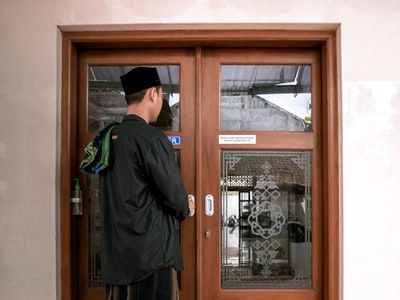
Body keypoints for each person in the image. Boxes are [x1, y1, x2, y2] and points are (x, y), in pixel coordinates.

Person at [99, 67, 195, 300]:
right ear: (153, 93)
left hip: (117, 259)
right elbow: (174, 196)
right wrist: (187, 205)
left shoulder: (108, 140)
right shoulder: (151, 139)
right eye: (161, 96)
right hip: (152, 258)